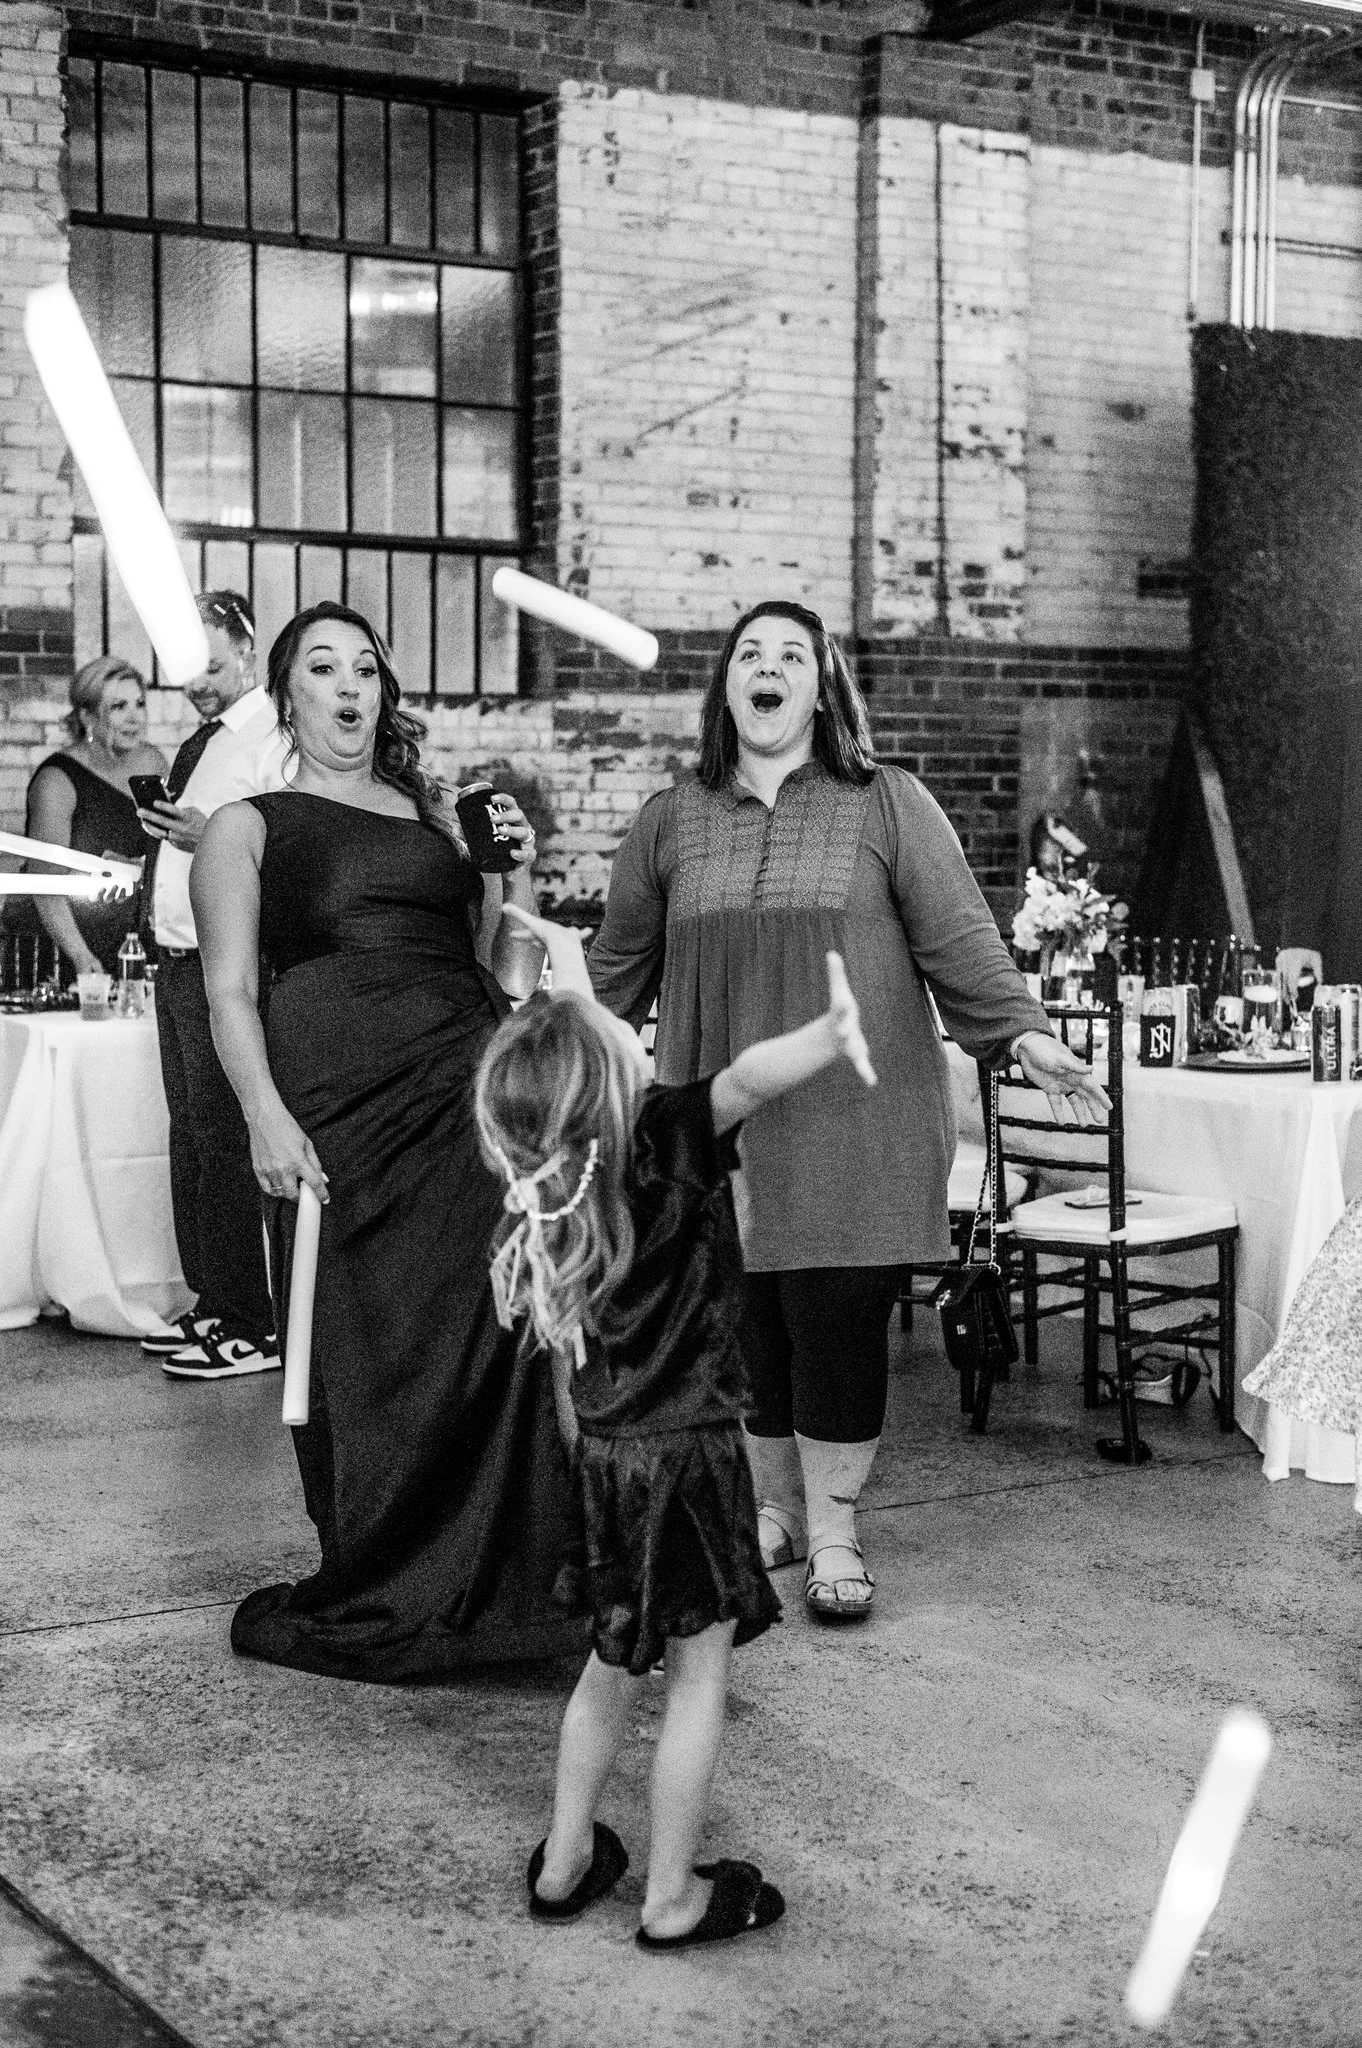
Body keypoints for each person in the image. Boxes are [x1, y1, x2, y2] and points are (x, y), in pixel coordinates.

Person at [589, 599, 1108, 1622]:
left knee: (833, 1328)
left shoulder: (886, 802)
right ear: (725, 685)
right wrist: (552, 1067)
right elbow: (615, 971)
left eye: (794, 654)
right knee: (747, 1335)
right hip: (721, 1127)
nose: (770, 667)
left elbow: (958, 935)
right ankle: (774, 1510)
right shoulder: (670, 818)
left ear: (823, 687)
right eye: (750, 653)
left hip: (855, 1120)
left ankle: (833, 1526)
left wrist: (1021, 1032)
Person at [189, 599, 582, 1681]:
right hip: (335, 1108)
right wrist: (263, 1111)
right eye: (324, 666)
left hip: (461, 1092)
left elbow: (509, 978)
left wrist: (515, 880)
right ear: (287, 693)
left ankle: (506, 1577)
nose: (351, 685)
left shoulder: (434, 818)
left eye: (367, 666)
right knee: (364, 1342)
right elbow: (228, 992)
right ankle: (382, 1564)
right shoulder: (248, 823)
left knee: (497, 1323)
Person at [475, 906, 876, 1945]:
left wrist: (566, 985)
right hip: (691, 1458)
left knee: (609, 1662)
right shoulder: (664, 1137)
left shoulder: (557, 1171)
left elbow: (584, 1055)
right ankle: (669, 1893)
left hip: (604, 1455)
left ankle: (566, 1861)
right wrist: (828, 1035)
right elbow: (746, 1076)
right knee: (698, 1675)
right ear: (617, 1072)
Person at [135, 591, 290, 1379]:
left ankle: (251, 1319)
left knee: (228, 1141)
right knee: (191, 1138)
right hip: (175, 960)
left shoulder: (271, 737)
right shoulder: (207, 741)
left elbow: (288, 846)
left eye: (210, 665)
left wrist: (210, 836)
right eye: (184, 671)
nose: (195, 683)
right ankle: (210, 1299)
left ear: (249, 650)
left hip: (227, 964)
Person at [14, 655, 166, 978]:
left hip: (134, 943)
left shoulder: (153, 763)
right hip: (68, 947)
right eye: (118, 707)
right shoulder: (56, 780)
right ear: (87, 716)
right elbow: (45, 884)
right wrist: (82, 958)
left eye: (139, 704)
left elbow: (166, 847)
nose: (134, 717)